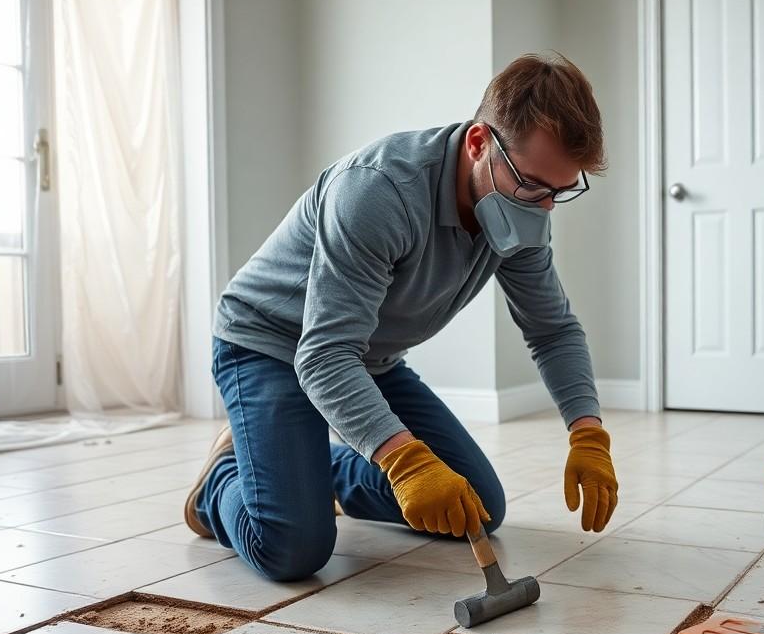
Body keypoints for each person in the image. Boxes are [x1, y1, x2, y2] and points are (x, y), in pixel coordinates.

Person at [184, 53, 620, 581]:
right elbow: (322, 355)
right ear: (480, 143)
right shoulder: (378, 190)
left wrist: (588, 434)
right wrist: (405, 462)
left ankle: (308, 468)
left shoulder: (522, 212)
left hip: (365, 357)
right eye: (532, 185)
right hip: (269, 345)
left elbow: (551, 330)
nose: (545, 207)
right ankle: (222, 482)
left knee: (479, 505)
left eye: (560, 191)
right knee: (292, 548)